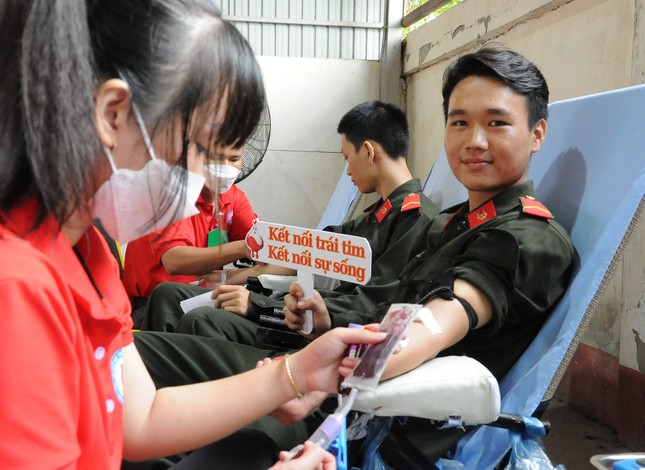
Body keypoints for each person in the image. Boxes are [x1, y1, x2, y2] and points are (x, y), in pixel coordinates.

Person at [133, 45, 574, 467]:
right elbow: (388, 305)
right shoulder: (454, 221)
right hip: (334, 372)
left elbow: (435, 323)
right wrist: (322, 326)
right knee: (135, 382)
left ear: (537, 133)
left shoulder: (523, 238)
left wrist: (325, 377)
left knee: (132, 359)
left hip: (359, 413)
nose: (474, 141)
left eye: (497, 123)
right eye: (459, 123)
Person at [0, 2, 389, 469]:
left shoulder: (92, 254)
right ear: (114, 114)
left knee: (254, 445)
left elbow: (140, 418)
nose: (208, 175)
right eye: (203, 149)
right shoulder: (17, 289)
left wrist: (294, 374)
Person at [139, 100, 439, 335]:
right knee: (168, 294)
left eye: (347, 158)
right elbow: (303, 251)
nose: (347, 171)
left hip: (319, 326)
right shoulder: (376, 216)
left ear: (369, 152)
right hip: (306, 310)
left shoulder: (414, 219)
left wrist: (259, 304)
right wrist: (233, 280)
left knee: (202, 318)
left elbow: (366, 305)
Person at [121, 143, 258, 326]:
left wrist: (230, 276)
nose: (226, 168)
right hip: (153, 307)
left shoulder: (233, 198)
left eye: (234, 159)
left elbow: (270, 250)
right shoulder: (170, 193)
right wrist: (243, 247)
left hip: (203, 299)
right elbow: (174, 261)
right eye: (215, 158)